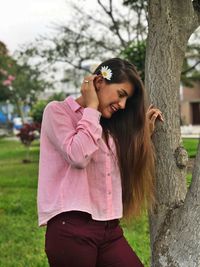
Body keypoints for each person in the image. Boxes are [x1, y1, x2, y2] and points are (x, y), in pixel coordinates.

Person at [37, 58, 164, 267]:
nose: (122, 105)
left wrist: (144, 136)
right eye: (121, 94)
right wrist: (93, 107)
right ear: (99, 82)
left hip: (110, 230)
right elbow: (78, 155)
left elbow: (116, 167)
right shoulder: (57, 112)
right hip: (71, 228)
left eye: (126, 100)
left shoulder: (108, 126)